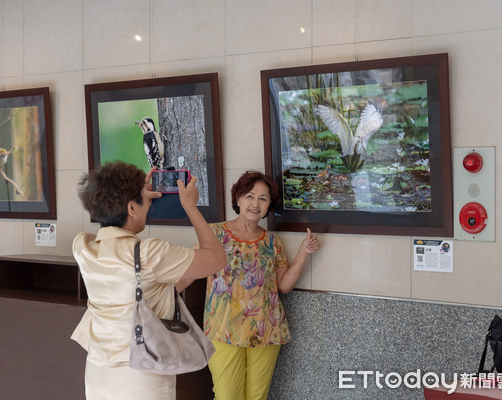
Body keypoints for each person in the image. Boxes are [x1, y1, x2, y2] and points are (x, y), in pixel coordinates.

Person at [70, 161, 225, 400]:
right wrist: (190, 207)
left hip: (97, 374)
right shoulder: (150, 254)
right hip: (141, 376)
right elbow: (216, 260)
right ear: (132, 208)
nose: (150, 205)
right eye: (145, 199)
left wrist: (134, 193)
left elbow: (147, 289)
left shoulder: (83, 246)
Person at [203, 170, 321, 400]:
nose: (255, 203)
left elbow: (284, 286)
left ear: (269, 205)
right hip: (223, 329)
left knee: (257, 397)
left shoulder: (272, 242)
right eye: (250, 196)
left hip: (265, 329)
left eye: (263, 198)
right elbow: (193, 269)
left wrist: (303, 253)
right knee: (227, 396)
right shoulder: (214, 234)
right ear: (237, 199)